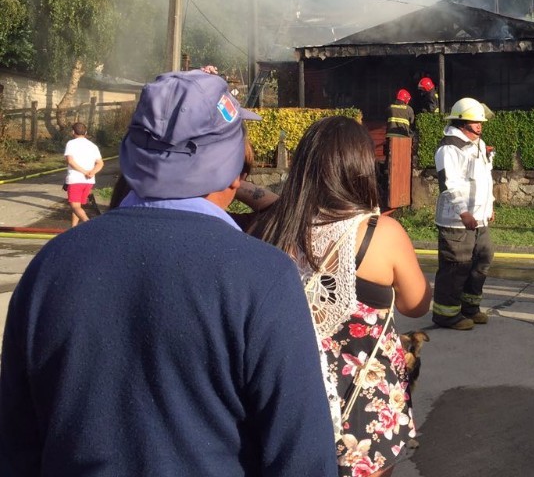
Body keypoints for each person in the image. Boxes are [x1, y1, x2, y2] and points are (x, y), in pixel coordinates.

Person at [0, 69, 338, 476]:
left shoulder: (51, 265)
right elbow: (303, 458)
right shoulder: (263, 277)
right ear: (232, 167)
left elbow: (16, 444)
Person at [250, 116, 431, 477]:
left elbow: (275, 205)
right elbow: (417, 304)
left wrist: (241, 188)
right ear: (361, 168)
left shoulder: (271, 228)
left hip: (289, 399)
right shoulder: (382, 234)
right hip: (363, 406)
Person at [431, 97, 495, 330]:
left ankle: (470, 308)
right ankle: (446, 315)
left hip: (479, 218)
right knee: (456, 267)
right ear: (460, 123)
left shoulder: (477, 143)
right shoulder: (449, 148)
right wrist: (463, 212)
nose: (479, 126)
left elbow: (484, 178)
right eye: (474, 122)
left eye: (480, 122)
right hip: (457, 221)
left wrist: (490, 206)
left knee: (482, 259)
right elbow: (450, 184)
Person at [63, 121, 103, 226]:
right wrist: (92, 172)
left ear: (73, 132)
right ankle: (73, 228)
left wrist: (84, 172)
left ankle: (89, 226)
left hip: (75, 180)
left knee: (75, 206)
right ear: (86, 132)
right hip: (89, 181)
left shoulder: (71, 143)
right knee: (78, 206)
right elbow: (100, 163)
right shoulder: (93, 146)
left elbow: (70, 161)